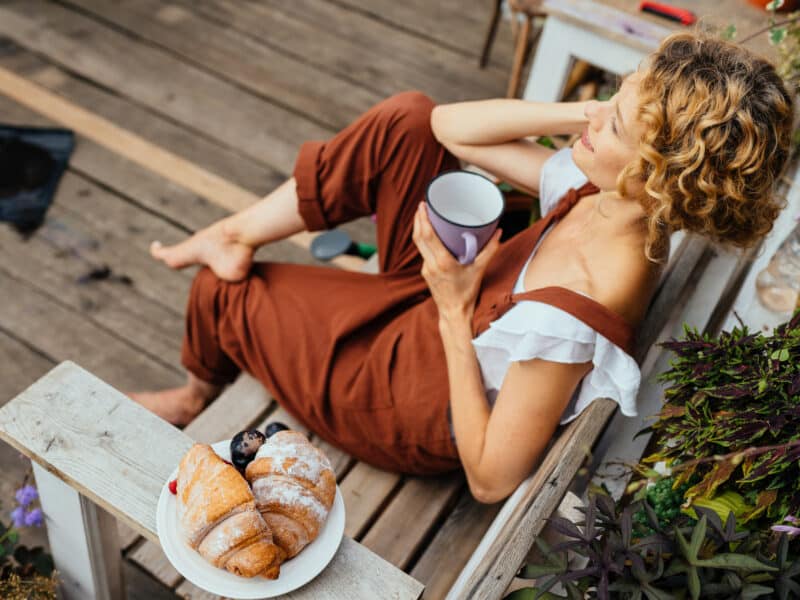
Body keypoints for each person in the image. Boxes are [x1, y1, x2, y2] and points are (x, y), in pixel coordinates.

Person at [131, 33, 793, 503]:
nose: (594, 115)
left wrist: (451, 306)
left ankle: (194, 394)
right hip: (444, 307)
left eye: (613, 124)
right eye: (614, 95)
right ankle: (233, 230)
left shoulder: (576, 306)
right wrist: (594, 115)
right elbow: (450, 127)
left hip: (404, 396)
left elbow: (490, 478)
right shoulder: (618, 198)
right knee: (408, 121)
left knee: (221, 293)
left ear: (659, 176)